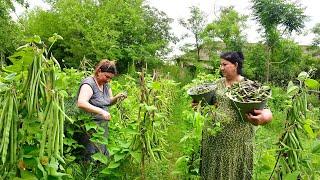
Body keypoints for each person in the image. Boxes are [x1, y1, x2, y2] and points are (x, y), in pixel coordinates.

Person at [200, 51, 272, 179]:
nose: (221, 68)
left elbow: (266, 110)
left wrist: (263, 118)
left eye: (225, 64)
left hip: (237, 144)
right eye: (220, 65)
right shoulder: (217, 84)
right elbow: (207, 101)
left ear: (236, 65)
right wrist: (199, 105)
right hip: (214, 141)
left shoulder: (249, 86)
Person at [77, 59, 127, 157]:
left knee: (101, 153)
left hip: (102, 126)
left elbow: (108, 102)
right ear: (99, 71)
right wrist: (101, 112)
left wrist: (117, 97)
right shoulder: (89, 84)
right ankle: (87, 170)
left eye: (111, 78)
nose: (108, 80)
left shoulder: (106, 85)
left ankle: (97, 170)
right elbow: (81, 103)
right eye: (107, 76)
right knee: (90, 153)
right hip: (90, 126)